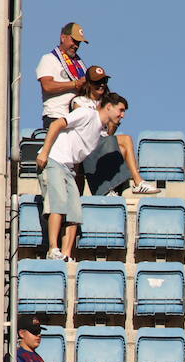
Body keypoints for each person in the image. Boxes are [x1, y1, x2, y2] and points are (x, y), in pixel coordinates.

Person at [35, 91, 129, 260]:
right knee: (58, 203)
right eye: (120, 110)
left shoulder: (100, 131)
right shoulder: (87, 113)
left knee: (74, 212)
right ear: (109, 107)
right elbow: (57, 124)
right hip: (54, 159)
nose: (122, 115)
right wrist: (45, 153)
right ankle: (53, 249)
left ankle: (66, 255)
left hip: (68, 168)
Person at [69, 68, 158, 197]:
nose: (101, 85)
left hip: (102, 143)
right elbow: (80, 126)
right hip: (88, 142)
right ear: (88, 83)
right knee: (126, 139)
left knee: (121, 149)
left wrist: (114, 123)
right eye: (97, 82)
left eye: (104, 81)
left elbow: (109, 133)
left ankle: (109, 191)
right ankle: (138, 182)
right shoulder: (79, 102)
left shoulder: (107, 102)